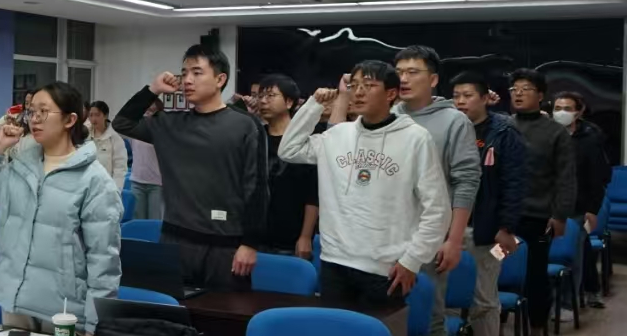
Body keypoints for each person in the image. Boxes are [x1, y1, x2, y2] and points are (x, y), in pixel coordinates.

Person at [279, 62, 450, 307]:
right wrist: (314, 105)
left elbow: (437, 209)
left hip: (386, 268)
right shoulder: (337, 135)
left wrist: (412, 260)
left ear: (391, 94)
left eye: (368, 86)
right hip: (334, 262)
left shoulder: (416, 138)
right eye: (354, 85)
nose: (358, 92)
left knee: (379, 332)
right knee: (335, 330)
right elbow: (288, 150)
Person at [0, 81, 122, 335]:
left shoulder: (95, 181)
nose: (34, 119)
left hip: (64, 312)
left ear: (70, 120)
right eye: (32, 112)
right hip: (14, 302)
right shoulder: (21, 167)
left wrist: (95, 323)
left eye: (43, 112)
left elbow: (103, 261)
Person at [113, 44, 268, 290]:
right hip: (176, 240)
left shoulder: (245, 125)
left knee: (224, 310)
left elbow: (256, 188)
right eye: (184, 73)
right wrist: (153, 89)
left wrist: (250, 243)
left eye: (197, 73)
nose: (187, 80)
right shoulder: (170, 123)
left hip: (225, 245)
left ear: (220, 79)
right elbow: (122, 123)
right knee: (172, 309)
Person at [392, 46, 481, 336]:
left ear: (432, 79)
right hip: (388, 237)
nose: (403, 78)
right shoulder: (390, 115)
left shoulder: (453, 121)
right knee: (389, 318)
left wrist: (454, 239)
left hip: (431, 237)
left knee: (430, 317)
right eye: (399, 71)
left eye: (412, 72)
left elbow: (466, 181)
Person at [450, 71, 528, 336]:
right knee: (450, 302)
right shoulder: (450, 129)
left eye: (468, 95)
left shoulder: (503, 133)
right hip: (450, 231)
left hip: (488, 233)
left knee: (484, 300)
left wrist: (506, 228)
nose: (461, 101)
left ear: (485, 98)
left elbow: (514, 184)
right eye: (456, 95)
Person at [509, 68, 577, 336]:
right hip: (505, 222)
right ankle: (495, 328)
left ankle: (536, 333)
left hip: (537, 220)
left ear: (540, 95)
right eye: (514, 89)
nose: (518, 93)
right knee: (495, 269)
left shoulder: (555, 132)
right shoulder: (503, 126)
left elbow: (566, 178)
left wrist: (560, 215)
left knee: (535, 275)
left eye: (525, 89)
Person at [553, 91, 611, 309]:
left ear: (578, 112)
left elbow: (598, 178)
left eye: (567, 109)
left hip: (578, 209)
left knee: (573, 256)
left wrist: (592, 210)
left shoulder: (589, 139)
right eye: (557, 108)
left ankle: (568, 304)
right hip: (548, 208)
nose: (561, 113)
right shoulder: (547, 134)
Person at [257, 74, 319, 259]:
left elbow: (313, 195)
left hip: (291, 237)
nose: (263, 101)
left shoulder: (305, 143)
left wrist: (306, 236)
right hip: (257, 236)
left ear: (289, 102)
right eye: (260, 96)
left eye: (270, 96)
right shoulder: (255, 137)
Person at [127, 98, 165, 221]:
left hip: (156, 183)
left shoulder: (163, 132)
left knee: (154, 220)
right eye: (146, 110)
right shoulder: (134, 129)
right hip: (137, 181)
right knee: (137, 220)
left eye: (152, 110)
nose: (148, 113)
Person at [87, 101, 128, 188]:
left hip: (106, 186)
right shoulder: (85, 135)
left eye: (97, 115)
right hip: (87, 184)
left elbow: (120, 168)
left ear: (105, 115)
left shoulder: (114, 138)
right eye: (90, 115)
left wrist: (116, 189)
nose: (93, 119)